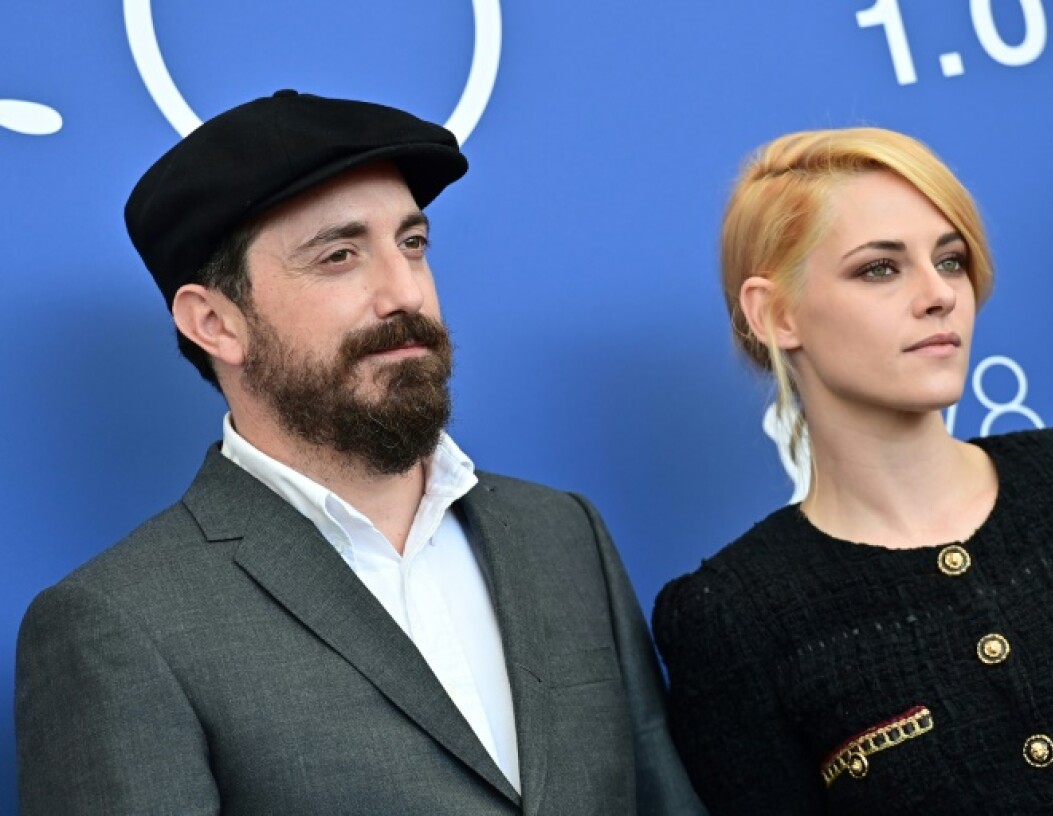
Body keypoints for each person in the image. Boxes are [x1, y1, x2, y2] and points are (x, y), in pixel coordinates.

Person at [15, 90, 705, 816]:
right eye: (340, 256)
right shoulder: (120, 623)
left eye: (412, 244)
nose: (404, 291)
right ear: (215, 323)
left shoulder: (563, 535)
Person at [652, 127, 1053, 815]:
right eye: (879, 269)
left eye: (950, 261)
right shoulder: (731, 617)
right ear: (775, 314)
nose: (939, 295)